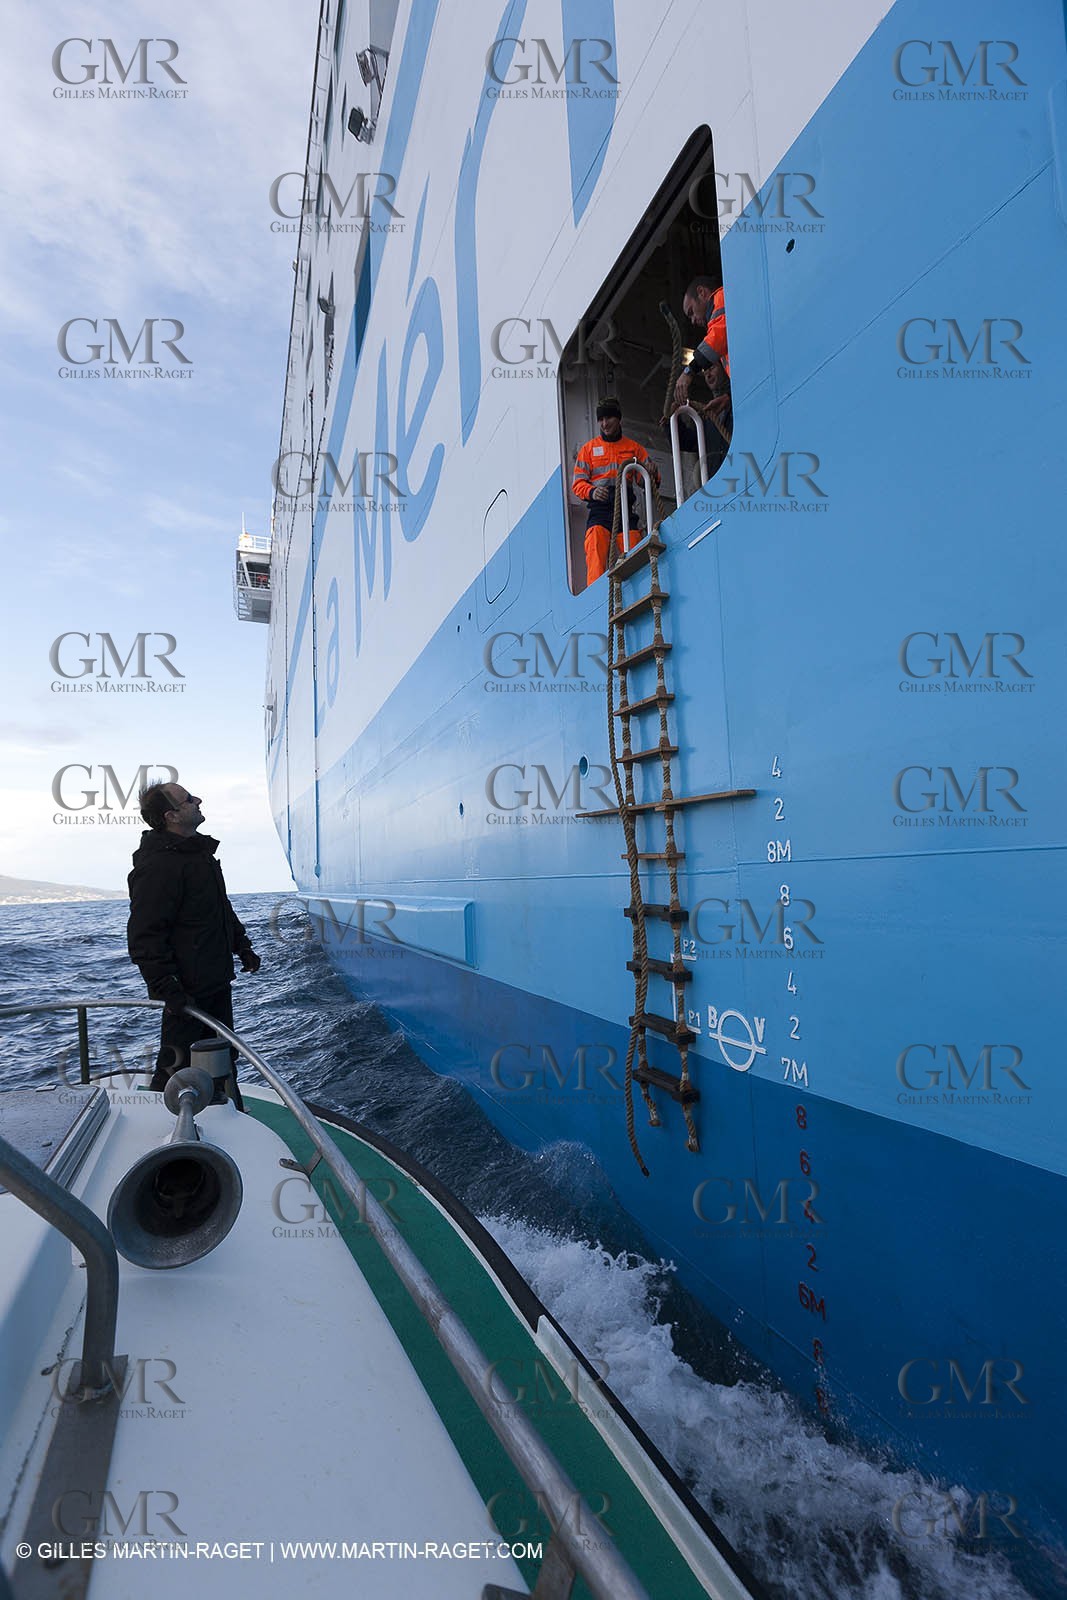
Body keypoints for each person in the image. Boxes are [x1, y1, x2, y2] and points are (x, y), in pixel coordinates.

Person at [127, 781, 260, 1100]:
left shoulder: (197, 854)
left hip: (215, 981)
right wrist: (168, 989)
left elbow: (218, 907)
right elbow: (145, 935)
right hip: (186, 993)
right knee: (177, 1066)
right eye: (188, 800)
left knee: (222, 1057)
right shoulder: (158, 865)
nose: (198, 800)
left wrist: (241, 945)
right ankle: (163, 1128)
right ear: (171, 815)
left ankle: (224, 1115)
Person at [573, 398, 659, 586]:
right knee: (595, 544)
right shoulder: (587, 450)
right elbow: (578, 484)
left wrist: (652, 472)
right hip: (600, 512)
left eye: (609, 418)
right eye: (601, 419)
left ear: (618, 418)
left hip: (625, 511)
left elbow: (646, 481)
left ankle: (641, 589)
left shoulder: (634, 448)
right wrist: (593, 492)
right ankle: (596, 598)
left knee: (635, 546)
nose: (604, 424)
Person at [674, 275, 730, 412]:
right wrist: (729, 397)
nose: (693, 321)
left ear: (702, 292)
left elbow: (718, 337)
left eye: (691, 312)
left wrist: (689, 371)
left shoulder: (721, 298)